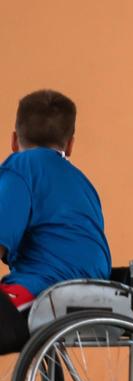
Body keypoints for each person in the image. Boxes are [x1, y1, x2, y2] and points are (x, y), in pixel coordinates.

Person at [0, 90, 112, 353]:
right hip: (95, 293)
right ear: (70, 145)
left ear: (14, 140)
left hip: (47, 290)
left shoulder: (20, 167)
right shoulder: (83, 183)